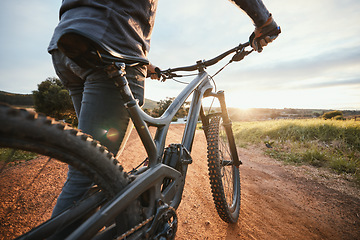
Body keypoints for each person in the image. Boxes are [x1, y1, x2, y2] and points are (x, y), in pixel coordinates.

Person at [48, 0, 280, 217]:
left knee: (91, 156)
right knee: (89, 170)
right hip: (112, 47)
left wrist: (145, 63)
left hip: (67, 45)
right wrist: (264, 22)